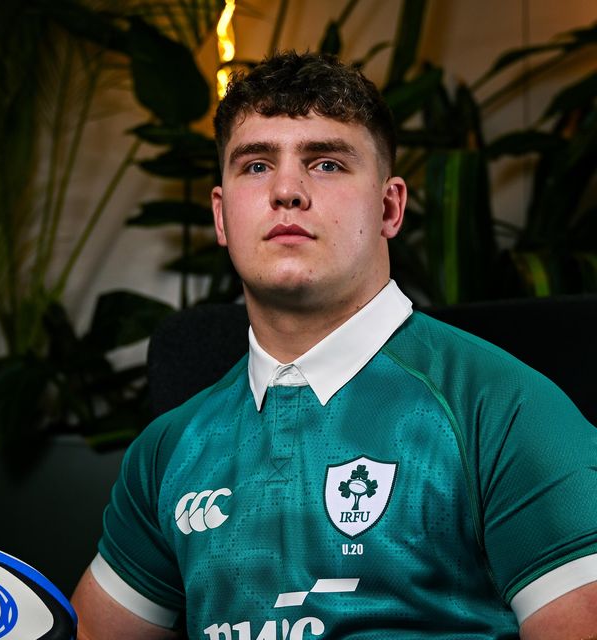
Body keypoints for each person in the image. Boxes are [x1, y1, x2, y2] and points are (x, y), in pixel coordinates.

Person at [71, 51, 597, 639]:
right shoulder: (169, 450)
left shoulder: (505, 410)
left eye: (325, 163)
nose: (287, 191)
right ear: (221, 217)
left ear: (389, 207)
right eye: (255, 166)